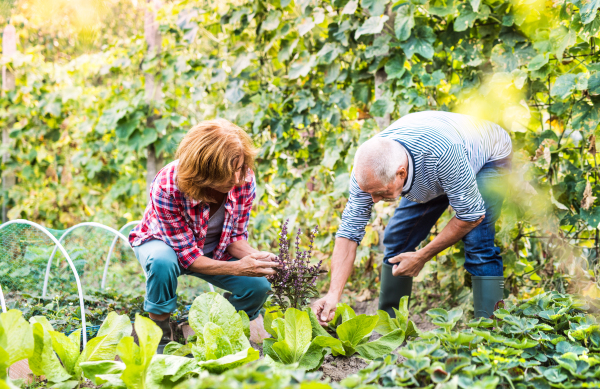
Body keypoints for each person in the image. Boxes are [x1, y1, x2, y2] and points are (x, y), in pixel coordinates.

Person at [311, 111, 512, 324]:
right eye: (370, 193)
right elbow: (349, 233)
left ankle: (492, 333)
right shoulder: (368, 172)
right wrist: (333, 294)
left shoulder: (442, 154)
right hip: (433, 164)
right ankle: (391, 327)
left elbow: (472, 216)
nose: (374, 200)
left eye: (380, 193)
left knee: (477, 243)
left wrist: (422, 256)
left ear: (401, 174)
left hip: (487, 155)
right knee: (398, 237)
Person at [129, 118, 278, 353]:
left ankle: (206, 328)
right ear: (205, 170)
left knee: (258, 285)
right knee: (162, 262)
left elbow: (235, 239)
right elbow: (187, 258)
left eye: (240, 168)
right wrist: (238, 268)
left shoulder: (244, 179)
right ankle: (159, 333)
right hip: (163, 243)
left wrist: (259, 258)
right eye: (230, 172)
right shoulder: (169, 185)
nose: (239, 178)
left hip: (213, 247)